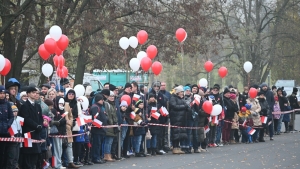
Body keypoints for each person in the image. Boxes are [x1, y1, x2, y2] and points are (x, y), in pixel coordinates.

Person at [18, 86, 43, 169]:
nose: (35, 94)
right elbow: (26, 118)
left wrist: (40, 125)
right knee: (28, 154)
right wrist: (36, 125)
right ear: (28, 94)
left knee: (36, 154)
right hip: (28, 133)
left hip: (36, 133)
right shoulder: (24, 106)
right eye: (33, 92)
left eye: (36, 93)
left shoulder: (38, 105)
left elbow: (40, 118)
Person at [169, 86, 188, 154]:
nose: (182, 93)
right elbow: (174, 106)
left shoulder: (182, 99)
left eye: (183, 92)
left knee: (179, 134)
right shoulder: (173, 98)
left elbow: (186, 106)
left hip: (181, 119)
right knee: (175, 133)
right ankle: (174, 147)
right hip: (175, 118)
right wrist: (184, 107)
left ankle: (177, 147)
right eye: (181, 92)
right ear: (177, 92)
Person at [0, 85, 14, 169]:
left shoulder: (7, 104)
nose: (2, 95)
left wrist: (8, 125)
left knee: (4, 153)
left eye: (3, 93)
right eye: (0, 93)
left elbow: (11, 116)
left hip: (5, 132)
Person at [90, 94, 107, 164]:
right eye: (102, 99)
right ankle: (95, 157)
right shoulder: (95, 107)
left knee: (99, 144)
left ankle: (98, 157)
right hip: (97, 129)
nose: (103, 101)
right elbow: (95, 118)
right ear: (99, 100)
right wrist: (101, 125)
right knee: (97, 144)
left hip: (100, 129)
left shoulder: (99, 107)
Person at [103, 91, 118, 162]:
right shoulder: (107, 104)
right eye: (110, 96)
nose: (112, 97)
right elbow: (108, 115)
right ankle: (107, 155)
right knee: (108, 141)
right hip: (109, 125)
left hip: (113, 124)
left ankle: (109, 154)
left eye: (113, 96)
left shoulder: (113, 104)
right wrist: (111, 123)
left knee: (110, 141)